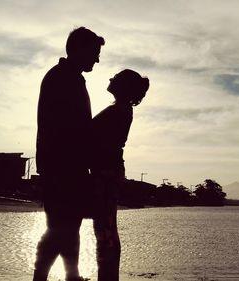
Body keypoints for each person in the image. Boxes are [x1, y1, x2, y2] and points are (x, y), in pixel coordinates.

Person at [34, 27, 105, 281]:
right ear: (78, 49)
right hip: (61, 166)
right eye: (95, 53)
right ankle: (42, 277)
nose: (97, 59)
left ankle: (70, 275)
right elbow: (68, 127)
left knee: (69, 224)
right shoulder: (61, 78)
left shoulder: (69, 77)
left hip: (68, 165)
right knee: (60, 227)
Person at [91, 69, 149, 281]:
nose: (109, 79)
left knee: (105, 231)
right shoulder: (120, 109)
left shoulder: (119, 111)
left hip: (107, 173)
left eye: (114, 78)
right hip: (108, 171)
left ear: (123, 86)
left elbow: (98, 140)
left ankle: (108, 277)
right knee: (106, 229)